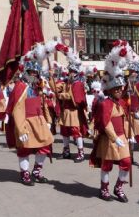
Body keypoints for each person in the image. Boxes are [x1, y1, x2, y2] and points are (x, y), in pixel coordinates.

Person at [7, 56, 53, 186]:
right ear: (26, 73)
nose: (34, 75)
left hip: (39, 122)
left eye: (36, 72)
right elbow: (17, 109)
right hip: (26, 122)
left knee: (45, 146)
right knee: (24, 149)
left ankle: (36, 172)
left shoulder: (37, 86)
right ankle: (24, 173)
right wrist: (21, 130)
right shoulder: (20, 87)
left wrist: (48, 120)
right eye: (32, 72)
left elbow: (43, 104)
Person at [90, 71, 132, 202]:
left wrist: (129, 135)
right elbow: (106, 123)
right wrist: (115, 138)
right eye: (116, 89)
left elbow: (125, 120)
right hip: (109, 139)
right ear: (111, 90)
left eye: (120, 88)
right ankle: (104, 189)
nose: (120, 91)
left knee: (126, 163)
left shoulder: (122, 103)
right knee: (106, 165)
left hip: (122, 137)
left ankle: (118, 187)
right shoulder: (105, 104)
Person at [54, 59, 88, 162]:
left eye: (73, 71)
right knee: (64, 132)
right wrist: (56, 79)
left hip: (74, 112)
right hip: (65, 111)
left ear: (77, 72)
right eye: (70, 71)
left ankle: (81, 153)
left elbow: (72, 96)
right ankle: (66, 152)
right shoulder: (66, 82)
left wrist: (60, 95)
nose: (71, 73)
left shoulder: (78, 84)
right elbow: (55, 88)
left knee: (76, 132)